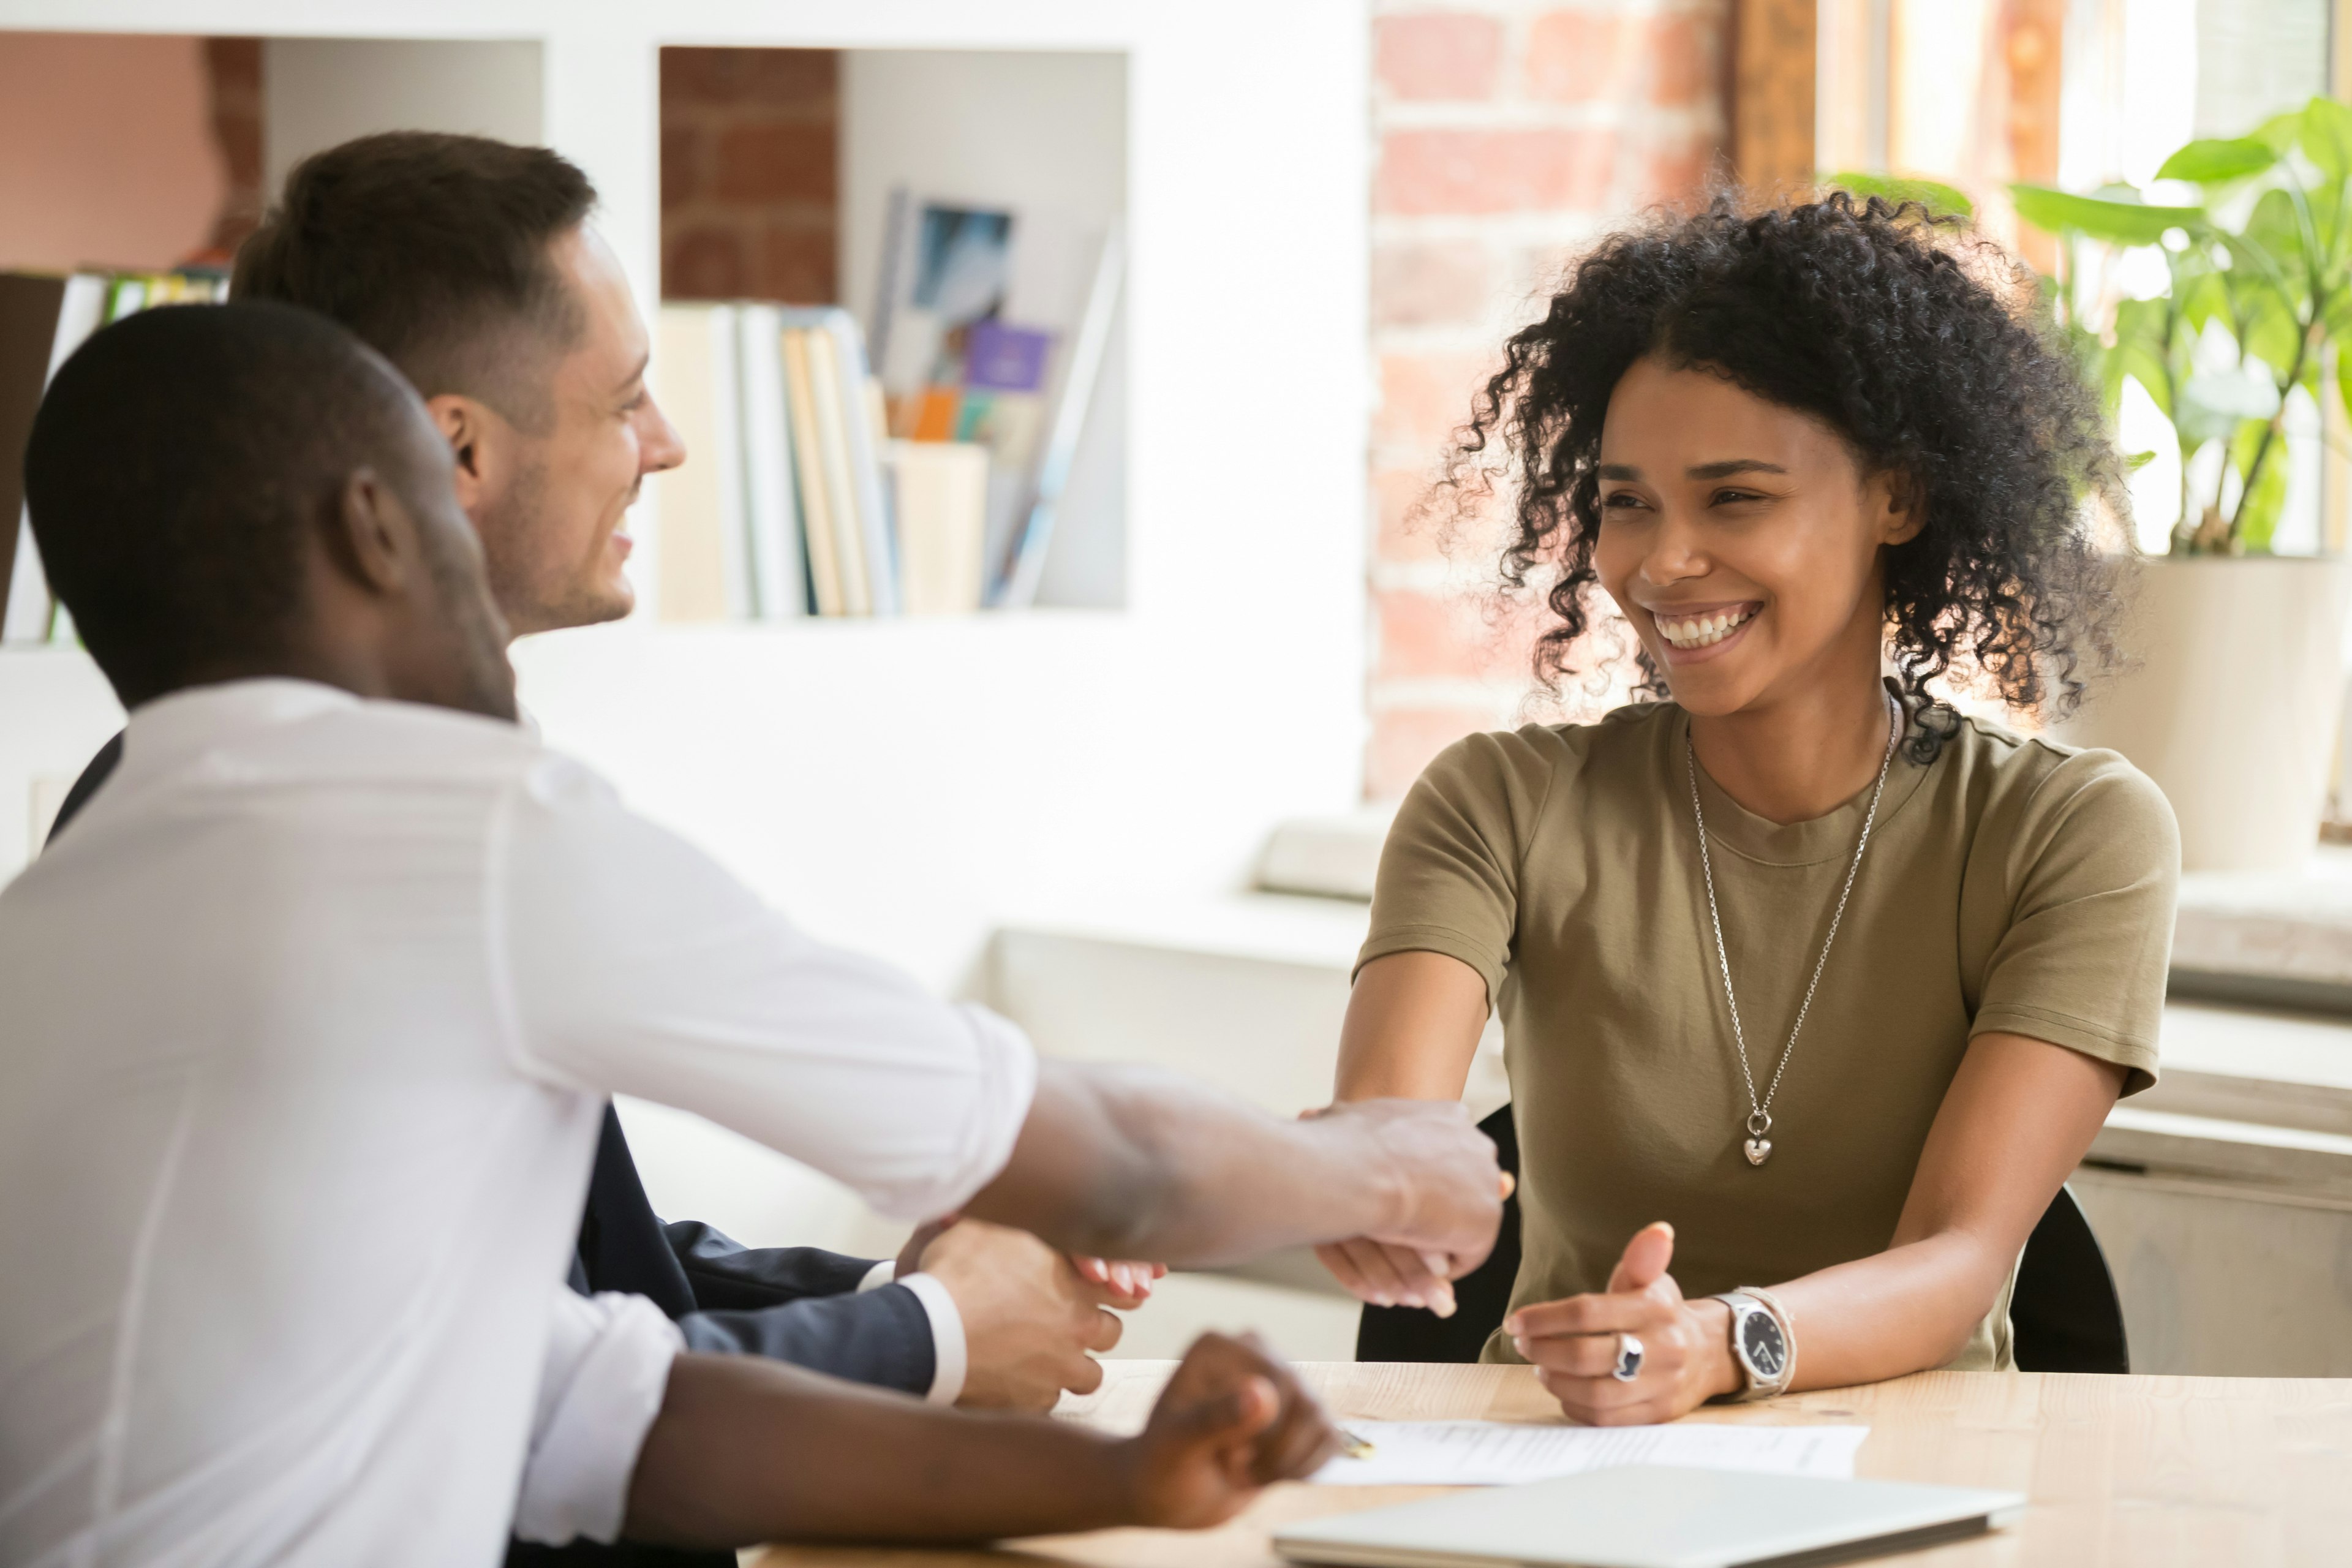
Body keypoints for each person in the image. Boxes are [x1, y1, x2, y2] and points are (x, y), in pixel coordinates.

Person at [0, 301, 1504, 1561]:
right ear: (379, 524)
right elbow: (1114, 1159)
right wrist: (1386, 1160)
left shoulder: (51, 920)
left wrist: (1120, 1480)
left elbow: (599, 1417)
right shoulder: (459, 824)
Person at [39, 130, 1156, 1428]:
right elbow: (530, 1418)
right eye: (626, 398)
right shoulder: (389, 839)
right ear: (456, 452)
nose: (669, 444)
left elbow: (580, 1271)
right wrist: (934, 1335)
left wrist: (905, 1285)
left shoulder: (195, 786)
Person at [1319, 193, 2179, 1425]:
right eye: (1626, 501)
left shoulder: (2070, 833)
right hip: (1561, 1473)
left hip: (1923, 1468)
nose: (1662, 563)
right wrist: (1365, 1182)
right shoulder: (1496, 806)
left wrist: (1724, 1341)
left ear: (1898, 497)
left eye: (1734, 498)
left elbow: (1960, 1254)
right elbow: (1391, 1125)